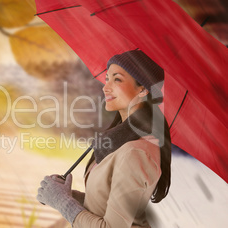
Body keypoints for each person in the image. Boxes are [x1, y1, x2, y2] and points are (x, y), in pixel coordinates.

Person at [36, 50, 171, 227]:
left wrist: (63, 203)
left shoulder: (136, 152)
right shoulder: (119, 140)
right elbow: (108, 206)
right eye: (107, 78)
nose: (105, 87)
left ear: (143, 89)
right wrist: (66, 195)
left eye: (117, 79)